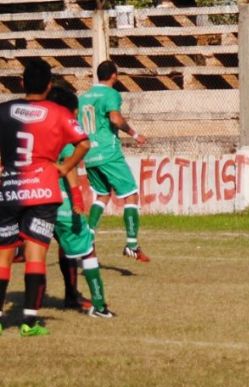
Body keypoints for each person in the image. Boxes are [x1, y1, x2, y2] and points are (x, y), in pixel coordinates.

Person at [0, 60, 91, 336]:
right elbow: (84, 143)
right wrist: (65, 167)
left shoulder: (3, 110)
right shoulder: (59, 112)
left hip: (9, 189)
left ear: (22, 83)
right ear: (50, 85)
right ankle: (29, 321)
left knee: (3, 257)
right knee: (36, 255)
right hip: (43, 190)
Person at [48, 85, 114, 318]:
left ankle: (39, 306)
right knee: (86, 248)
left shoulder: (33, 127)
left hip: (27, 198)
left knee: (26, 251)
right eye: (74, 113)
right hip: (59, 201)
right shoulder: (63, 134)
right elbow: (69, 166)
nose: (76, 118)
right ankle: (98, 304)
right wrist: (76, 196)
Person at [79, 60, 150, 262]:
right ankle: (132, 245)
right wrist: (135, 135)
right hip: (108, 153)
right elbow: (115, 119)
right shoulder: (111, 94)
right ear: (114, 75)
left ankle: (88, 239)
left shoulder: (83, 98)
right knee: (131, 195)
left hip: (89, 154)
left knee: (102, 195)